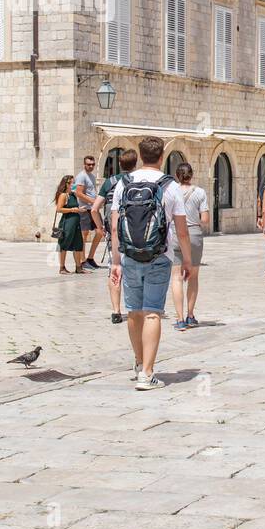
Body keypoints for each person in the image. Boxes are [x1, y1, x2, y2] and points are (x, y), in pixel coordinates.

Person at [109, 135, 193, 391]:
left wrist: (115, 262)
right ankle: (147, 373)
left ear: (140, 155)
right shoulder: (170, 186)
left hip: (130, 255)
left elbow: (114, 226)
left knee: (134, 311)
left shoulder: (124, 183)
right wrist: (187, 260)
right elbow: (182, 230)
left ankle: (138, 363)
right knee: (153, 311)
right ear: (162, 156)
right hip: (159, 256)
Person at [92, 149, 138, 323]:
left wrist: (99, 228)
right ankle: (135, 308)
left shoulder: (110, 182)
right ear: (135, 164)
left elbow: (94, 209)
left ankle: (116, 311)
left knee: (114, 269)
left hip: (115, 233)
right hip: (136, 233)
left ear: (120, 164)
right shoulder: (138, 180)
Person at [168, 162, 210, 330]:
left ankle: (179, 319)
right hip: (193, 234)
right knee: (193, 276)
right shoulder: (199, 192)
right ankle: (190, 315)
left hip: (174, 234)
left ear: (177, 175)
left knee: (176, 277)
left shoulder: (171, 191)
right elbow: (205, 220)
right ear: (191, 175)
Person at [73, 155, 102, 271]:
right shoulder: (81, 176)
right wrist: (93, 201)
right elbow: (78, 193)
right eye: (89, 164)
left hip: (93, 209)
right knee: (83, 235)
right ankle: (83, 260)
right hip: (85, 208)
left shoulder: (92, 176)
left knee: (100, 231)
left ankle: (90, 258)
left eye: (93, 164)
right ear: (84, 164)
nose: (91, 166)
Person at [54, 174, 85, 274]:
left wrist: (79, 209)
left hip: (75, 223)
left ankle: (78, 267)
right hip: (67, 223)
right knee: (64, 244)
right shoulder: (64, 195)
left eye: (74, 182)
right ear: (66, 184)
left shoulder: (72, 195)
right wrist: (72, 209)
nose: (73, 184)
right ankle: (62, 268)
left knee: (78, 244)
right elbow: (59, 209)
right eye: (72, 182)